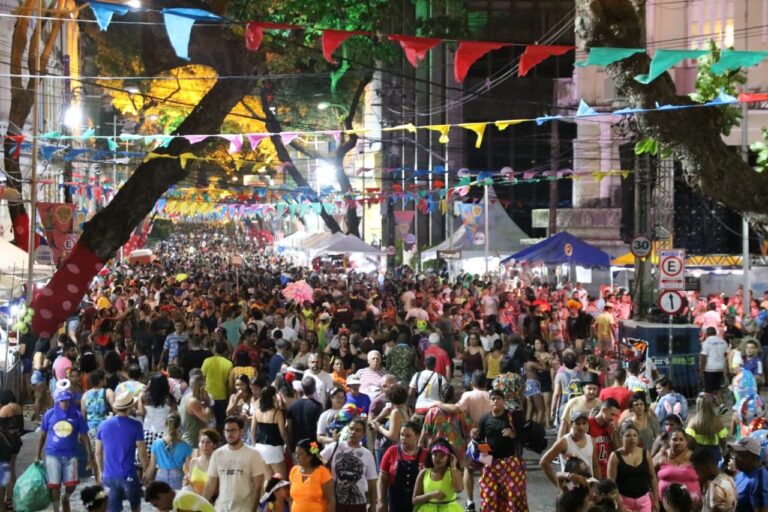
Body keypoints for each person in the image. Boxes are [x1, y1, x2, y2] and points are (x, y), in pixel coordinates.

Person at [473, 387, 532, 511]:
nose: (496, 401)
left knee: (514, 497)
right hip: (491, 463)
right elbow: (479, 441)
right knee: (489, 498)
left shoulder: (513, 417)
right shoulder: (484, 419)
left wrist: (513, 434)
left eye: (499, 399)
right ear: (489, 402)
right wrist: (486, 461)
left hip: (511, 463)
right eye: (493, 399)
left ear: (504, 401)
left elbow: (525, 436)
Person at [36, 389, 92, 512]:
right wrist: (38, 454)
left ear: (70, 401)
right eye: (61, 401)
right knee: (55, 486)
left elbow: (84, 436)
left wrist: (89, 454)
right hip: (53, 454)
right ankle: (56, 509)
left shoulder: (77, 415)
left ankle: (65, 497)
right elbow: (43, 435)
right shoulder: (49, 414)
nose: (64, 404)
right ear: (57, 401)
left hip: (71, 455)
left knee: (72, 484)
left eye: (66, 401)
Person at [96, 391, 149, 512]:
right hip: (129, 476)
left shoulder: (103, 425)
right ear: (130, 407)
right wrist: (146, 471)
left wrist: (101, 471)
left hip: (109, 476)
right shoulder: (136, 425)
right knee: (135, 508)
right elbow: (142, 452)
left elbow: (98, 452)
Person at [204, 415, 267, 512]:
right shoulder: (217, 454)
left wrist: (253, 510)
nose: (229, 434)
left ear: (241, 432)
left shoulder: (254, 454)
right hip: (221, 508)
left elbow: (258, 487)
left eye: (233, 430)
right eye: (227, 431)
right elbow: (210, 486)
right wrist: (199, 506)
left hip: (245, 509)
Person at [320, 419, 378, 512]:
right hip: (334, 503)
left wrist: (373, 505)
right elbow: (315, 458)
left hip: (358, 506)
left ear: (363, 434)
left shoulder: (367, 454)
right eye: (351, 428)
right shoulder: (335, 446)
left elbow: (372, 482)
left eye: (358, 430)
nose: (353, 432)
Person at [540, 410, 600, 486]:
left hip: (588, 488)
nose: (581, 427)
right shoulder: (564, 442)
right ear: (571, 424)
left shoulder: (591, 440)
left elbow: (595, 466)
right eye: (577, 424)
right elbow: (544, 462)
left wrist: (598, 486)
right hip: (571, 488)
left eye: (584, 423)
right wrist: (559, 485)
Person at [607, 422, 658, 512]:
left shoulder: (645, 453)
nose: (632, 438)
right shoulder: (615, 456)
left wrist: (656, 500)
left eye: (635, 435)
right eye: (628, 436)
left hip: (645, 501)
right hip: (624, 502)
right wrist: (619, 504)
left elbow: (652, 477)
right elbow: (611, 484)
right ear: (621, 438)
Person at [377, 421, 427, 512]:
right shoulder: (392, 451)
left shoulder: (426, 454)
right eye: (401, 435)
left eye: (408, 436)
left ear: (417, 436)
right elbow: (382, 478)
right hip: (396, 502)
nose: (403, 438)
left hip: (419, 503)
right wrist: (381, 501)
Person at [411, 438, 463, 512]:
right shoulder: (424, 473)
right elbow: (415, 500)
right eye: (435, 455)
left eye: (442, 455)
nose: (438, 458)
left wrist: (453, 466)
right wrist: (431, 495)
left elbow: (458, 489)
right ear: (431, 456)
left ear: (448, 457)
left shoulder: (453, 471)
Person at [653, 427, 700, 507]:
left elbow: (705, 476)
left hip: (691, 504)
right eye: (674, 439)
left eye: (681, 439)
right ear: (669, 441)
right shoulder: (662, 455)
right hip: (665, 504)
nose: (678, 442)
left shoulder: (695, 457)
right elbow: (649, 473)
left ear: (686, 442)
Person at [145, 413, 193, 489]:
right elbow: (190, 468)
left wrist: (145, 478)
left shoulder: (156, 444)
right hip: (178, 476)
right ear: (179, 426)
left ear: (166, 425)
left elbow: (152, 466)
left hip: (161, 476)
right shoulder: (185, 446)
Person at [252, 385, 288, 477]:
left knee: (268, 479)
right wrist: (288, 446)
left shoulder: (256, 412)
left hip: (259, 448)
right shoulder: (277, 413)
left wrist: (254, 447)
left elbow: (252, 432)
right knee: (281, 479)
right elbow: (283, 433)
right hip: (274, 449)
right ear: (272, 397)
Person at [290, 438, 335, 512]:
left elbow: (331, 501)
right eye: (296, 453)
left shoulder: (322, 472)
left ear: (310, 456)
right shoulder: (294, 471)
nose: (296, 457)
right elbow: (291, 499)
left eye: (300, 454)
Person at [690, 446, 737, 512]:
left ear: (707, 466)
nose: (696, 474)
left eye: (697, 469)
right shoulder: (727, 479)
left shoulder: (716, 487)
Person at [557, 371, 601, 439]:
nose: (592, 391)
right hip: (574, 440)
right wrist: (559, 441)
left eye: (594, 389)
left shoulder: (600, 404)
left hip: (593, 440)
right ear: (583, 388)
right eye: (589, 388)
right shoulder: (573, 402)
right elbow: (564, 423)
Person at [729, 437, 768, 512]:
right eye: (734, 453)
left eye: (739, 455)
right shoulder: (742, 472)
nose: (735, 458)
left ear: (754, 457)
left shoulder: (759, 480)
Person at [686, 393, 728, 462]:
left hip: (698, 454)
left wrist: (695, 450)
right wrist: (724, 452)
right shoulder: (717, 422)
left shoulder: (693, 422)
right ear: (711, 405)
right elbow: (723, 441)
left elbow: (689, 441)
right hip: (714, 454)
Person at [201, 341, 233, 429]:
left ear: (215, 350)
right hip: (222, 397)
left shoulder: (207, 361)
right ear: (226, 351)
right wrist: (229, 397)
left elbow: (202, 378)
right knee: (221, 423)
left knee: (208, 422)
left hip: (208, 396)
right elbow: (230, 384)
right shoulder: (229, 364)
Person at [287, 377, 324, 451]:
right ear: (314, 389)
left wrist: (291, 445)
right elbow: (319, 428)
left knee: (299, 459)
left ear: (302, 389)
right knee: (314, 458)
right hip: (313, 445)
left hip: (298, 445)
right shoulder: (318, 406)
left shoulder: (292, 406)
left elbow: (289, 429)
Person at [180, 373, 213, 446]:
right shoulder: (193, 401)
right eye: (203, 385)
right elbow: (206, 417)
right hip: (193, 441)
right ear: (200, 385)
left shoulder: (185, 397)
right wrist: (207, 402)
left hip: (190, 439)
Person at [589, 398, 619, 478]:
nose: (613, 418)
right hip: (592, 473)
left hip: (607, 473)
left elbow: (617, 451)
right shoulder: (588, 424)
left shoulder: (610, 427)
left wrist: (615, 434)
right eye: (612, 414)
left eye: (615, 415)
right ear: (604, 410)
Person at [185, 428, 219, 496]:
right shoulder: (193, 462)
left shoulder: (218, 463)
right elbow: (190, 483)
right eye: (202, 442)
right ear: (199, 444)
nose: (204, 445)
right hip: (194, 498)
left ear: (215, 445)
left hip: (211, 500)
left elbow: (217, 489)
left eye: (208, 442)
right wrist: (186, 482)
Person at [701, 327, 728, 408]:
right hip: (720, 368)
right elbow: (726, 354)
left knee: (708, 388)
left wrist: (702, 369)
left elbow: (703, 357)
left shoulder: (706, 342)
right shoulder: (723, 342)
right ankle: (721, 404)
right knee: (717, 387)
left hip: (709, 368)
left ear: (706, 334)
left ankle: (709, 405)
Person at [145, 480, 214, 512]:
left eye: (156, 505)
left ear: (161, 496)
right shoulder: (179, 496)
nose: (159, 509)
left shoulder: (180, 500)